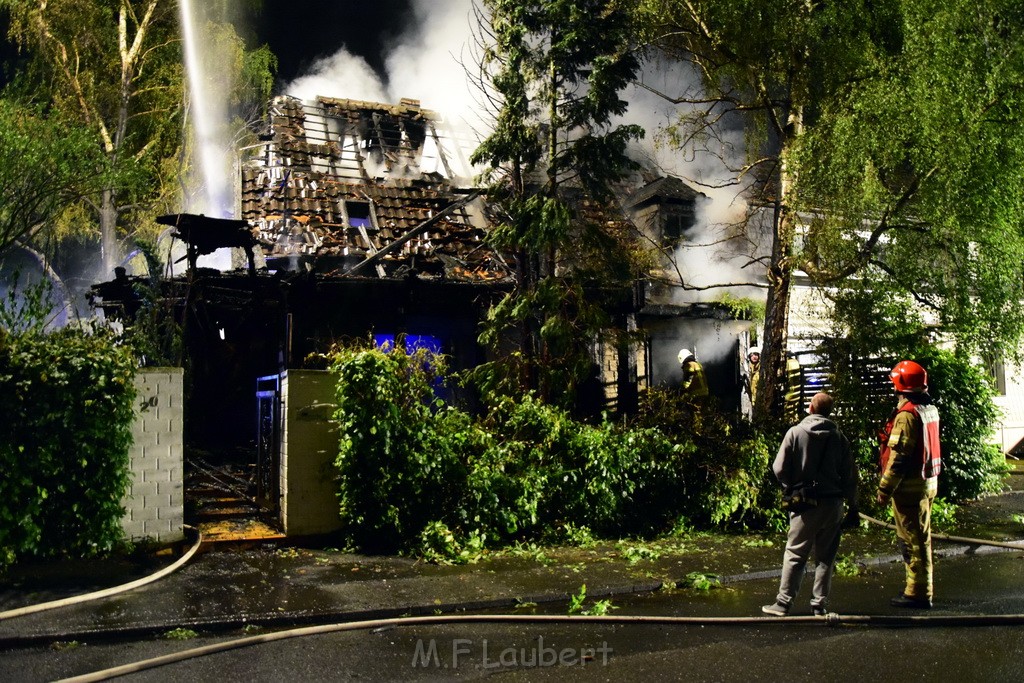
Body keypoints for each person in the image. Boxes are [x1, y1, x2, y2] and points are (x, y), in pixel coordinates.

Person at [762, 392, 858, 617]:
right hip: (833, 504)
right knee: (826, 557)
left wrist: (790, 485)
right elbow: (850, 476)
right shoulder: (839, 438)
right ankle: (819, 605)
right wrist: (853, 505)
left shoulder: (795, 433)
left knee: (795, 554)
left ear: (810, 408)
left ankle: (783, 603)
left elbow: (779, 468)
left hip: (804, 503)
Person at [877, 359, 941, 609]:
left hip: (910, 488)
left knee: (911, 541)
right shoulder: (927, 408)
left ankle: (917, 592)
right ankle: (922, 588)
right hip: (927, 482)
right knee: (921, 539)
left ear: (899, 385)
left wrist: (885, 488)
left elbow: (899, 458)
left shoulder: (907, 415)